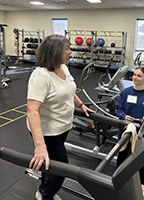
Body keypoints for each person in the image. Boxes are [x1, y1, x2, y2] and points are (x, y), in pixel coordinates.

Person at [26, 34, 95, 200]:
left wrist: (81, 105)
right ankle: (44, 194)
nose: (71, 52)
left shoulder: (63, 67)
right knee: (60, 169)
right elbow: (32, 111)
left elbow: (69, 90)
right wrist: (40, 146)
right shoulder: (41, 76)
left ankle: (44, 184)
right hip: (47, 133)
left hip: (62, 128)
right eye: (67, 49)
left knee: (51, 163)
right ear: (56, 52)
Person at [115, 67, 144, 199]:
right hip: (126, 130)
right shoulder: (125, 92)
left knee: (141, 159)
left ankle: (142, 185)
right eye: (134, 75)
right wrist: (124, 116)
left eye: (139, 76)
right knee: (122, 155)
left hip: (142, 132)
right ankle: (118, 180)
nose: (135, 78)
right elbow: (119, 108)